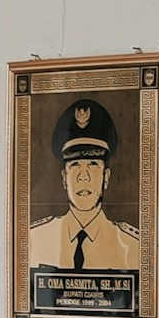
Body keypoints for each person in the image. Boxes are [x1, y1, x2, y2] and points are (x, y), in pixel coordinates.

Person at [27, 99, 139, 268]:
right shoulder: (34, 239)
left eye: (93, 165)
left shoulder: (133, 246)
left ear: (106, 177)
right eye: (75, 165)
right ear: (64, 177)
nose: (83, 177)